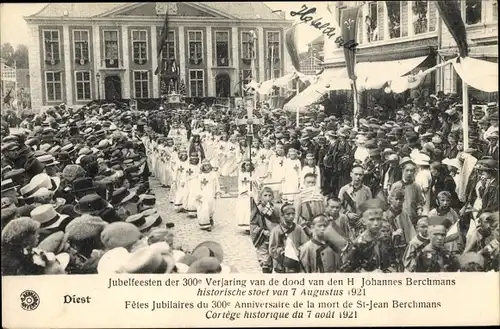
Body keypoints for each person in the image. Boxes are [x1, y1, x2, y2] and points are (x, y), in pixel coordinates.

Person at [340, 199, 398, 273]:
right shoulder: (359, 243)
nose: (376, 223)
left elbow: (393, 261)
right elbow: (346, 270)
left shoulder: (386, 238)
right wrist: (368, 273)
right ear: (364, 221)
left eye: (379, 219)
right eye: (371, 219)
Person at [269, 203, 308, 273]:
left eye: (293, 214)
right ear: (282, 215)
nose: (291, 216)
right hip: (281, 264)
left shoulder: (298, 228)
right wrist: (283, 251)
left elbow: (305, 244)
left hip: (296, 262)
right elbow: (272, 249)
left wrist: (298, 251)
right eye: (288, 214)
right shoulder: (276, 230)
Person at [249, 187, 280, 273]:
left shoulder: (275, 209)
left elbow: (279, 221)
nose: (267, 197)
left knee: (275, 258)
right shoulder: (257, 209)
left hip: (273, 237)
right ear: (261, 196)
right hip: (262, 238)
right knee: (265, 261)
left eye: (270, 195)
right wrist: (262, 231)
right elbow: (253, 224)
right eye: (265, 195)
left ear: (272, 197)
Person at [390, 157, 424, 226]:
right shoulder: (395, 185)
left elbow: (420, 201)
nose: (409, 173)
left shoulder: (416, 186)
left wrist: (419, 209)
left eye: (411, 171)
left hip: (412, 218)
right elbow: (391, 201)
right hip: (399, 218)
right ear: (403, 170)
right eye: (407, 170)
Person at [293, 173, 325, 237]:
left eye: (313, 182)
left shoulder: (320, 196)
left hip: (319, 226)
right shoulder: (300, 197)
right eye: (308, 182)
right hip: (305, 226)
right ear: (304, 183)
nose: (310, 184)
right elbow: (296, 216)